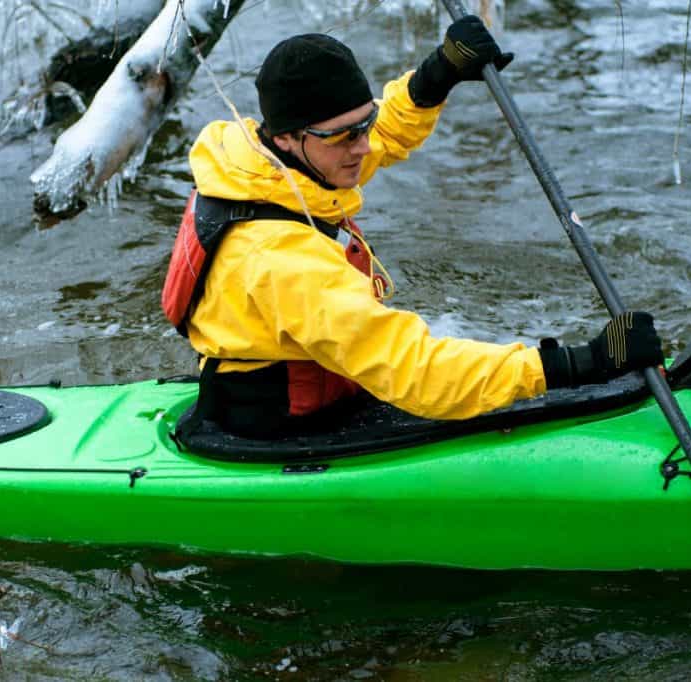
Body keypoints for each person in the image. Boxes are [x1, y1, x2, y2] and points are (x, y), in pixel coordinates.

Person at [162, 17, 664, 439]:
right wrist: (579, 364)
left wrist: (437, 74)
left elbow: (377, 136)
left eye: (364, 124)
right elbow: (415, 371)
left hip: (263, 377)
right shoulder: (280, 260)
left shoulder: (262, 169)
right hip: (284, 427)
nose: (362, 145)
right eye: (344, 136)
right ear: (291, 137)